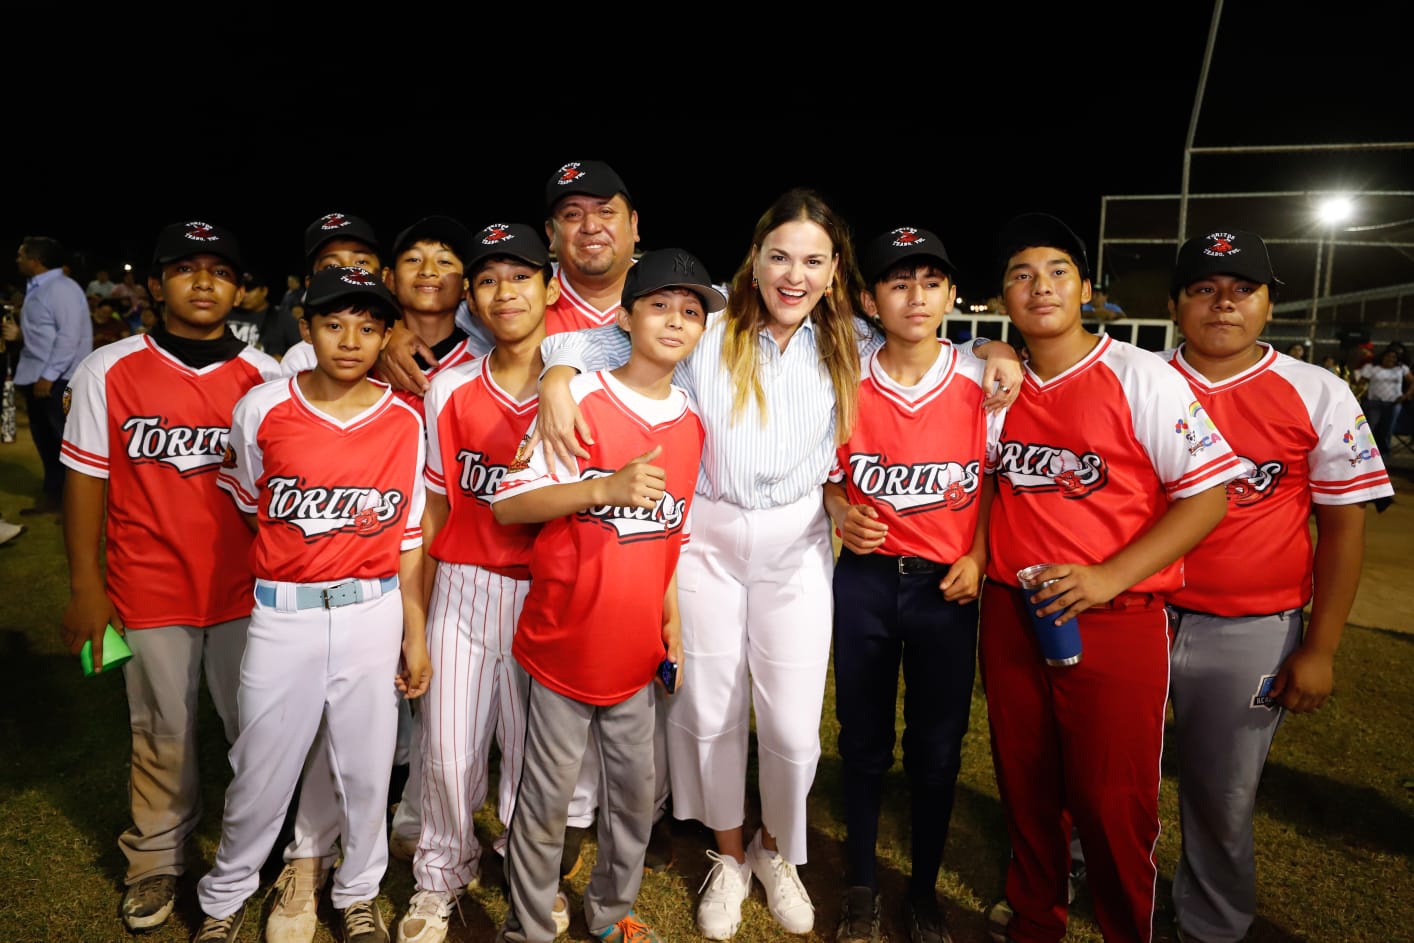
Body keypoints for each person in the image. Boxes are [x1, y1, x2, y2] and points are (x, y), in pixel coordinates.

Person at [535, 190, 1020, 940]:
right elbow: (598, 342)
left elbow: (943, 349)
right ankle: (729, 854)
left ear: (835, 271)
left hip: (796, 543)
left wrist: (999, 348)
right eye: (781, 257)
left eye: (814, 260)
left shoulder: (853, 342)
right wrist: (558, 376)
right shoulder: (708, 330)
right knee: (708, 713)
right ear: (755, 262)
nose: (795, 275)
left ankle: (775, 850)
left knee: (794, 730)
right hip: (708, 540)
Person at [979, 213, 1239, 943]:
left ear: (1087, 288)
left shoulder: (1139, 373)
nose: (1041, 287)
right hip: (1012, 607)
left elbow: (1209, 493)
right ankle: (1036, 916)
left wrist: (1107, 576)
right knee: (1026, 778)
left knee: (1112, 796)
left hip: (1115, 611)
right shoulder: (992, 380)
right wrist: (988, 347)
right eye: (1022, 275)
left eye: (1058, 271)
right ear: (1002, 295)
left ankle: (1130, 925)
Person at [1162, 229, 1394, 943]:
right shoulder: (1137, 378)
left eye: (1242, 289)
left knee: (1223, 793)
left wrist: (1320, 647)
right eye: (1204, 288)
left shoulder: (1317, 389)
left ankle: (1211, 923)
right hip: (1136, 611)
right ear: (1175, 305)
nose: (1223, 303)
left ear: (1268, 303)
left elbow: (1344, 528)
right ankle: (1090, 870)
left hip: (1251, 625)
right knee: (1101, 766)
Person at [490, 247, 724, 943]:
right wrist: (602, 487)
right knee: (545, 800)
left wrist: (670, 618)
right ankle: (528, 924)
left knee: (632, 798)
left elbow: (669, 534)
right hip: (563, 639)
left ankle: (611, 911)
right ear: (625, 316)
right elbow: (508, 506)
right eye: (659, 306)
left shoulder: (690, 422)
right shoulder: (578, 396)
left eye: (691, 311)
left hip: (634, 649)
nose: (676, 321)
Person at [193, 265, 431, 943]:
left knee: (365, 768)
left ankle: (357, 891)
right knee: (260, 768)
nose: (349, 339)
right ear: (306, 328)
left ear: (386, 333)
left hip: (371, 610)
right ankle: (223, 898)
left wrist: (414, 633)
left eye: (366, 325)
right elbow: (250, 505)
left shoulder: (406, 421)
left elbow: (410, 539)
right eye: (332, 323)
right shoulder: (262, 406)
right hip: (283, 612)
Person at [58, 221, 280, 933]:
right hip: (147, 584)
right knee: (164, 730)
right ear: (156, 285)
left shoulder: (268, 375)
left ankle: (261, 848)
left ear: (240, 287)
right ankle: (156, 857)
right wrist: (87, 588)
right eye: (185, 268)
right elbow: (86, 482)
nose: (205, 280)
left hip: (249, 587)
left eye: (220, 268)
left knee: (261, 729)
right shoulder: (108, 368)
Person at [828, 227, 1004, 943]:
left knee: (937, 747)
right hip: (865, 581)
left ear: (952, 293)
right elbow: (826, 476)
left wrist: (983, 551)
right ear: (870, 297)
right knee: (863, 741)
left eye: (931, 281)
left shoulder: (981, 378)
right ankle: (862, 887)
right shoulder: (841, 375)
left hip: (946, 588)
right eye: (898, 282)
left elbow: (993, 480)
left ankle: (925, 891)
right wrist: (838, 506)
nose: (916, 296)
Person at [396, 223, 566, 943]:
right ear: (473, 296)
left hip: (547, 587)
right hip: (465, 584)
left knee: (537, 755)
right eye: (490, 278)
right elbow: (435, 505)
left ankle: (532, 876)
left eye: (521, 276)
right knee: (447, 747)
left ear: (550, 287)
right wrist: (418, 615)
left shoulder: (583, 385)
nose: (506, 291)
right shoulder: (452, 387)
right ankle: (439, 874)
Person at [262, 212, 394, 943]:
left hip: (394, 583)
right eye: (330, 264)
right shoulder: (282, 377)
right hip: (304, 592)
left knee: (374, 749)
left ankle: (362, 868)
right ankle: (307, 861)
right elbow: (258, 494)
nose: (348, 273)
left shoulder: (422, 354)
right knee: (307, 740)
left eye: (362, 262)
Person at [9, 236, 91, 515]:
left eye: (21, 254)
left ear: (36, 260)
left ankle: (77, 505)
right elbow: (46, 332)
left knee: (66, 444)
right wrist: (19, 335)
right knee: (45, 442)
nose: (17, 259)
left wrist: (50, 375)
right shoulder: (40, 287)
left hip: (57, 379)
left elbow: (70, 336)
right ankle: (55, 496)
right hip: (40, 376)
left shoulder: (62, 289)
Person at [1357, 345, 1412, 458]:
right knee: (1369, 428)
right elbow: (1360, 382)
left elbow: (1412, 382)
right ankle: (1364, 452)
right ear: (1382, 357)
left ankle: (1384, 454)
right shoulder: (1372, 368)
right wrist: (1363, 392)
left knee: (1387, 429)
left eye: (1394, 357)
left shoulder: (1402, 369)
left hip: (1393, 404)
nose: (1390, 359)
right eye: (1388, 356)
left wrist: (1406, 395)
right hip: (1374, 403)